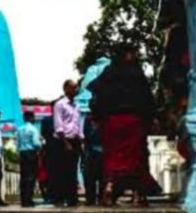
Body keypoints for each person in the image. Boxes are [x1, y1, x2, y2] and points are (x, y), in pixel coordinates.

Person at [88, 46, 158, 206]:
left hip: (111, 122)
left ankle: (110, 186)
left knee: (112, 157)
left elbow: (96, 96)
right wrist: (151, 118)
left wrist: (99, 118)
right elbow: (146, 98)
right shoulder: (136, 74)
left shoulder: (108, 73)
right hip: (133, 120)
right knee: (135, 158)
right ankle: (138, 194)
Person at [52, 80, 83, 207]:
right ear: (66, 89)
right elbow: (59, 125)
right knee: (63, 170)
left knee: (73, 170)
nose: (76, 89)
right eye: (74, 87)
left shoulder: (76, 106)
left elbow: (78, 125)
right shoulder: (60, 104)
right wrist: (65, 143)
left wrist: (80, 140)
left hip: (74, 140)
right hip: (63, 140)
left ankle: (72, 198)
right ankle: (60, 198)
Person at [16, 110, 43, 207]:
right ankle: (29, 200)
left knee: (23, 177)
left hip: (22, 153)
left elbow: (17, 144)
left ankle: (23, 200)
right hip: (31, 154)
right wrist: (42, 145)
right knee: (31, 177)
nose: (34, 119)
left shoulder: (19, 129)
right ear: (30, 118)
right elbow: (36, 143)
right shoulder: (33, 129)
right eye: (33, 117)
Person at [82, 116, 104, 206]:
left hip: (100, 152)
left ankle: (100, 198)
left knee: (101, 177)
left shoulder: (104, 120)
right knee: (90, 177)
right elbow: (86, 136)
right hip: (91, 152)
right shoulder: (88, 120)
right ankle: (91, 199)